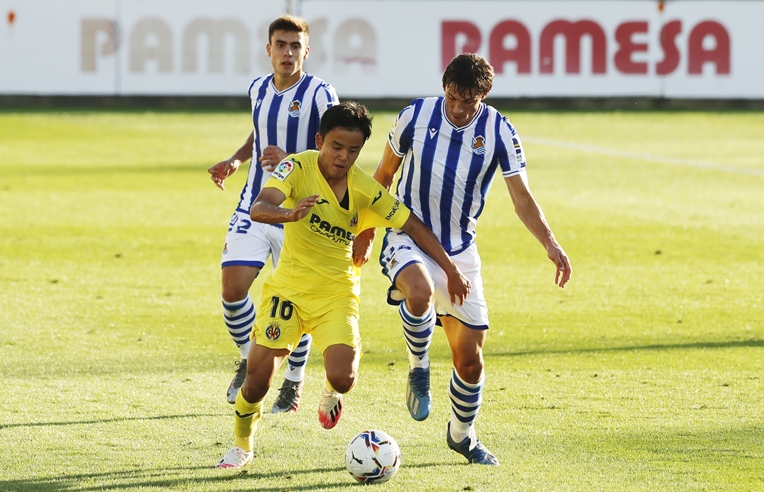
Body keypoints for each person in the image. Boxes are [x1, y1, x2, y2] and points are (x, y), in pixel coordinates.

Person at [216, 102, 471, 469]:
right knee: (257, 382)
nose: (343, 157)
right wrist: (290, 213)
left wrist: (450, 269)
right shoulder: (296, 166)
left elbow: (412, 226)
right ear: (320, 140)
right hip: (288, 291)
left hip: (336, 295)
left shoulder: (365, 189)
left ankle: (329, 394)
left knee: (344, 378)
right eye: (336, 146)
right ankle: (242, 446)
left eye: (353, 150)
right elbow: (259, 207)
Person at [355, 53, 572, 466]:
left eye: (468, 101)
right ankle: (418, 368)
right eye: (452, 97)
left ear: (483, 96)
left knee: (470, 362)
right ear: (444, 88)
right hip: (406, 235)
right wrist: (366, 231)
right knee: (418, 291)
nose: (457, 107)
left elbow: (522, 198)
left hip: (460, 249)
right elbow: (382, 177)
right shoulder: (415, 116)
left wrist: (550, 243)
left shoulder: (499, 130)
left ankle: (462, 436)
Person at [208, 15, 339, 413]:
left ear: (306, 51)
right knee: (232, 289)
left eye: (295, 46)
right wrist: (236, 159)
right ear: (268, 49)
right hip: (255, 204)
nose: (287, 52)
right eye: (281, 45)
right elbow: (260, 131)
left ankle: (293, 381)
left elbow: (338, 149)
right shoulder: (258, 89)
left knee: (295, 303)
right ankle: (251, 358)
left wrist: (291, 159)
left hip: (299, 213)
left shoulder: (320, 94)